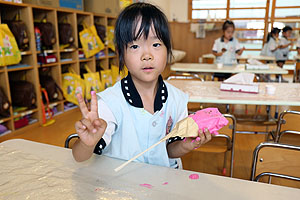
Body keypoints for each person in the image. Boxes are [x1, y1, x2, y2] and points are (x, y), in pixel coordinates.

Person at [72, 2, 212, 169]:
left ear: (168, 49)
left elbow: (168, 151)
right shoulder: (110, 103)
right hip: (120, 189)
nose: (147, 55)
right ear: (121, 54)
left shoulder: (177, 100)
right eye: (135, 46)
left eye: (156, 44)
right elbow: (79, 157)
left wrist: (185, 145)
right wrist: (87, 144)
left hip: (162, 187)